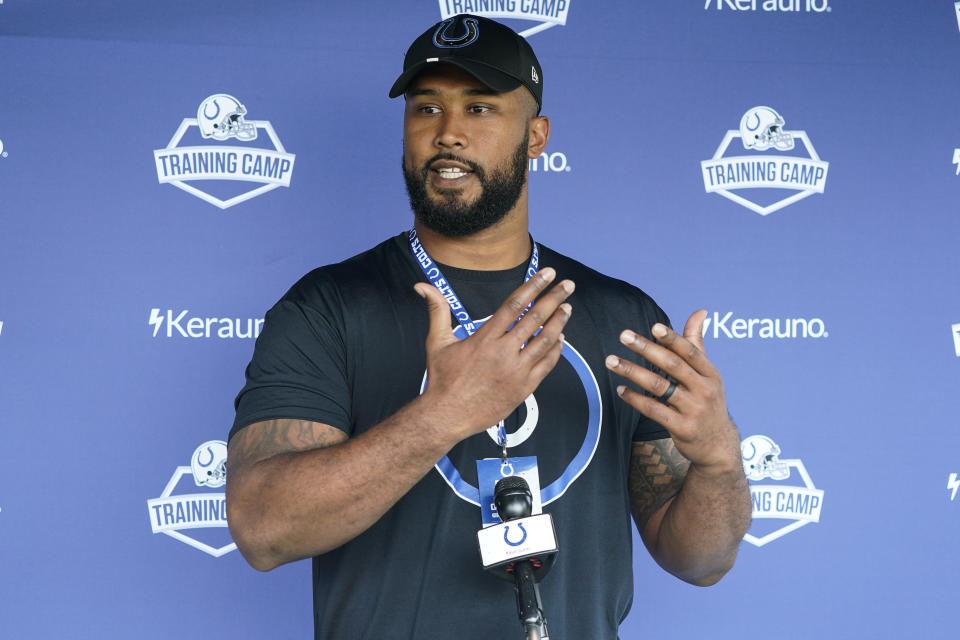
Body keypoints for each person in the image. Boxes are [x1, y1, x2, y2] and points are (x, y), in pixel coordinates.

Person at [226, 14, 751, 640]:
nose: (448, 134)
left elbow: (700, 560)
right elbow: (262, 530)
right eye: (426, 109)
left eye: (479, 109)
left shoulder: (623, 317)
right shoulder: (328, 307)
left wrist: (720, 461)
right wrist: (443, 413)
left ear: (536, 135)